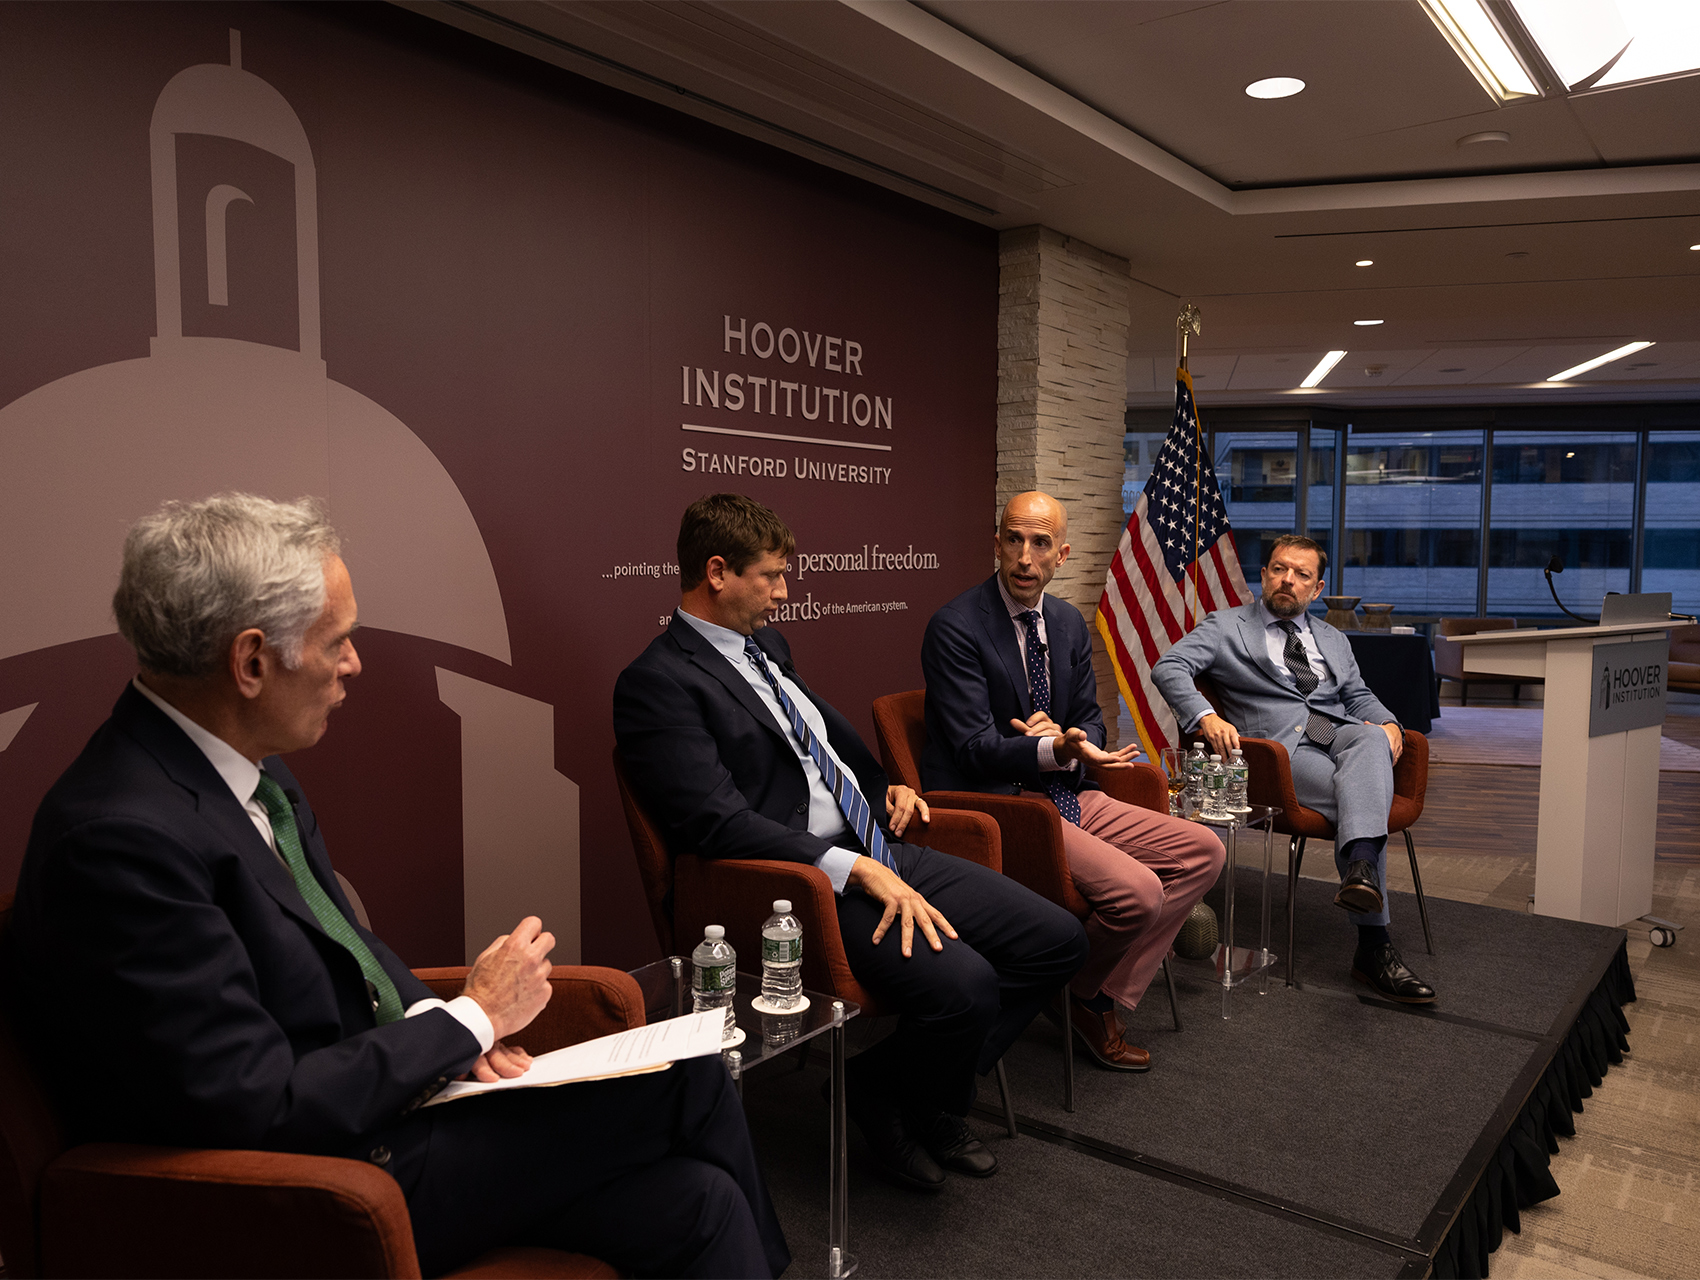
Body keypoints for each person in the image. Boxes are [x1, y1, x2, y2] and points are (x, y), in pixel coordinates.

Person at [9, 493, 789, 1279]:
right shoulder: (118, 840)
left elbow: (345, 945)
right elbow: (258, 1106)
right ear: (250, 662)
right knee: (692, 1081)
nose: (354, 664)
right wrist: (469, 1021)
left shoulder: (250, 770)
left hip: (389, 1112)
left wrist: (440, 1023)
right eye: (338, 642)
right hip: (325, 1182)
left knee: (698, 1203)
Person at [614, 493, 1087, 1193]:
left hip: (874, 845)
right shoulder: (657, 682)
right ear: (717, 572)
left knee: (1057, 939)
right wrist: (852, 868)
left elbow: (823, 743)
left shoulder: (767, 647)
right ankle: (916, 1101)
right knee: (967, 986)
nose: (784, 591)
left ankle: (886, 1087)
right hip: (793, 884)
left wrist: (885, 785)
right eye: (771, 576)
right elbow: (712, 824)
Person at [921, 491, 1226, 1071]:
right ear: (997, 544)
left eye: (1040, 544)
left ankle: (1085, 989)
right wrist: (1046, 748)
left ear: (1061, 554)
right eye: (1014, 539)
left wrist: (1067, 739)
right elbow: (972, 749)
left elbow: (1091, 719)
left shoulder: (1064, 622)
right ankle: (1083, 998)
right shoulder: (956, 626)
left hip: (1064, 790)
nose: (1024, 557)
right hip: (1001, 805)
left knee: (1203, 852)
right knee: (1138, 893)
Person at [1150, 533, 1436, 1003]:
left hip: (1329, 730)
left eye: (1302, 574)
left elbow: (1358, 698)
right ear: (1263, 575)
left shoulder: (1333, 639)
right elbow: (1170, 667)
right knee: (1363, 790)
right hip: (1278, 748)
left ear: (1317, 588)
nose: (1288, 580)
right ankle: (1374, 946)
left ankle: (1361, 869)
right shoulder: (1226, 626)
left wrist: (1389, 724)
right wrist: (1206, 715)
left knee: (1367, 737)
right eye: (1280, 569)